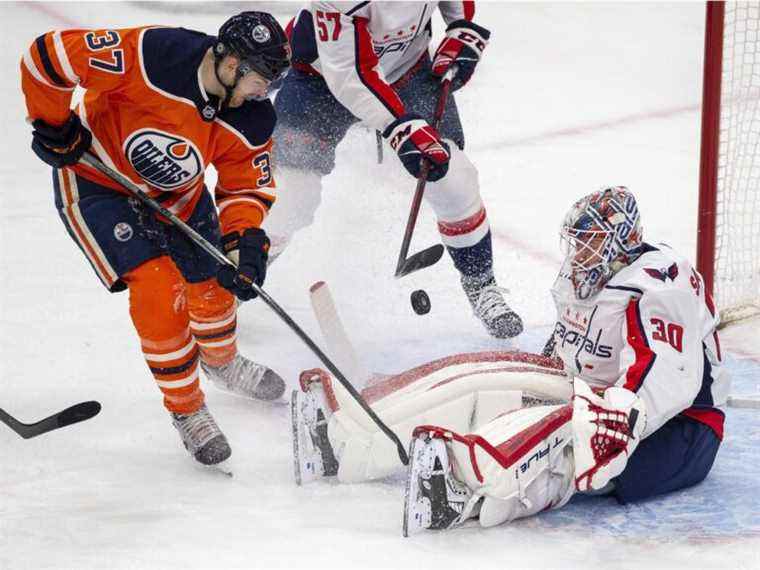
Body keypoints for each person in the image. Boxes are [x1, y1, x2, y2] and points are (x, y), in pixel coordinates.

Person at [291, 187, 729, 535]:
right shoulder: (592, 274)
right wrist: (529, 383)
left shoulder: (656, 287)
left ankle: (459, 491)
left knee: (567, 436)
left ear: (621, 242)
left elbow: (669, 379)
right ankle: (353, 431)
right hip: (602, 393)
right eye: (577, 243)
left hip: (680, 431)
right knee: (491, 376)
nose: (580, 254)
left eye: (591, 244)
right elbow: (568, 346)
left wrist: (611, 417)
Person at [21, 12, 291, 467]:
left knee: (216, 282)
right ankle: (187, 410)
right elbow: (47, 56)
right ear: (231, 65)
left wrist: (244, 239)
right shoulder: (151, 55)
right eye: (259, 80)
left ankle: (222, 362)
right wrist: (53, 122)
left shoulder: (253, 117)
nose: (262, 92)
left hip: (179, 194)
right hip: (96, 181)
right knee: (158, 285)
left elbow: (244, 186)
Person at [267, 1, 523, 339]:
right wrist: (399, 127)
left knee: (453, 177)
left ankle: (481, 285)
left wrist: (461, 27)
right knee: (289, 196)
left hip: (408, 69)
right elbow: (348, 75)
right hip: (322, 77)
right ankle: (236, 283)